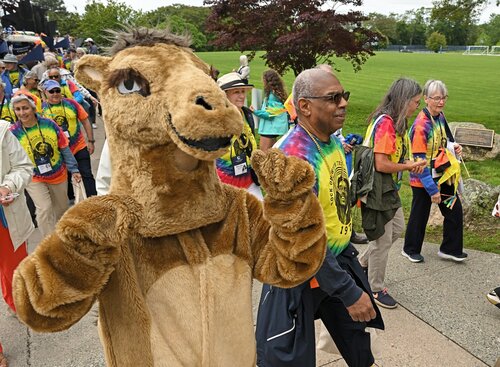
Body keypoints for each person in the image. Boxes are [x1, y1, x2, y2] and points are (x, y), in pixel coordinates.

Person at [256, 68, 383, 367]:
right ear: (305, 106)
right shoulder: (293, 159)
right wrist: (349, 292)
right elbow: (304, 243)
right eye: (333, 98)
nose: (343, 103)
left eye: (344, 96)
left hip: (335, 262)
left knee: (359, 345)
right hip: (299, 274)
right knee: (286, 358)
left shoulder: (331, 141)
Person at [357, 78, 426, 309]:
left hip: (388, 188)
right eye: (415, 102)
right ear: (404, 100)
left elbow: (394, 157)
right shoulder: (386, 123)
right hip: (377, 188)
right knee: (382, 239)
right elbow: (381, 164)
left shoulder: (398, 123)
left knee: (396, 229)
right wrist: (408, 167)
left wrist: (410, 162)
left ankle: (362, 262)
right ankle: (375, 288)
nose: (417, 106)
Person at [403, 80, 468, 263]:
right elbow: (418, 160)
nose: (441, 102)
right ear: (426, 99)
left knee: (454, 209)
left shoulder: (440, 117)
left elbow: (444, 141)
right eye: (436, 98)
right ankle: (410, 249)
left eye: (444, 97)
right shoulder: (421, 124)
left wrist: (454, 147)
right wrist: (432, 190)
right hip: (423, 179)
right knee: (420, 214)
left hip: (442, 174)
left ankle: (450, 249)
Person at [9, 94, 81, 237]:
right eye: (17, 109)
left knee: (61, 208)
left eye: (25, 108)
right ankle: (49, 242)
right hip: (33, 177)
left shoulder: (49, 124)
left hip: (58, 174)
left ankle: (63, 237)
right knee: (44, 209)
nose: (22, 113)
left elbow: (64, 147)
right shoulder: (13, 132)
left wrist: (74, 169)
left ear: (33, 108)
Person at [0, 119, 34, 367]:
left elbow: (23, 166)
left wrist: (7, 186)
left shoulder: (2, 131)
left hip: (6, 219)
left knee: (13, 270)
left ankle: (16, 303)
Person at [40, 80, 97, 198]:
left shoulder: (72, 103)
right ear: (45, 92)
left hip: (78, 146)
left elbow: (86, 121)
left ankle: (94, 198)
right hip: (59, 151)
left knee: (86, 174)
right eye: (51, 91)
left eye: (57, 90)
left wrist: (90, 141)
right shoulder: (41, 109)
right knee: (66, 177)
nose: (55, 93)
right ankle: (71, 201)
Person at [216, 72, 262, 199]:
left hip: (250, 182)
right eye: (236, 92)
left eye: (243, 91)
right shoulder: (216, 120)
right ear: (224, 95)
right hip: (225, 186)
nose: (242, 96)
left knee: (261, 216)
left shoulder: (247, 115)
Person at [250, 69, 289, 151]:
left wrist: (255, 112)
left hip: (268, 131)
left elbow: (269, 115)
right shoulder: (277, 94)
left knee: (264, 156)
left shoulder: (272, 96)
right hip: (272, 131)